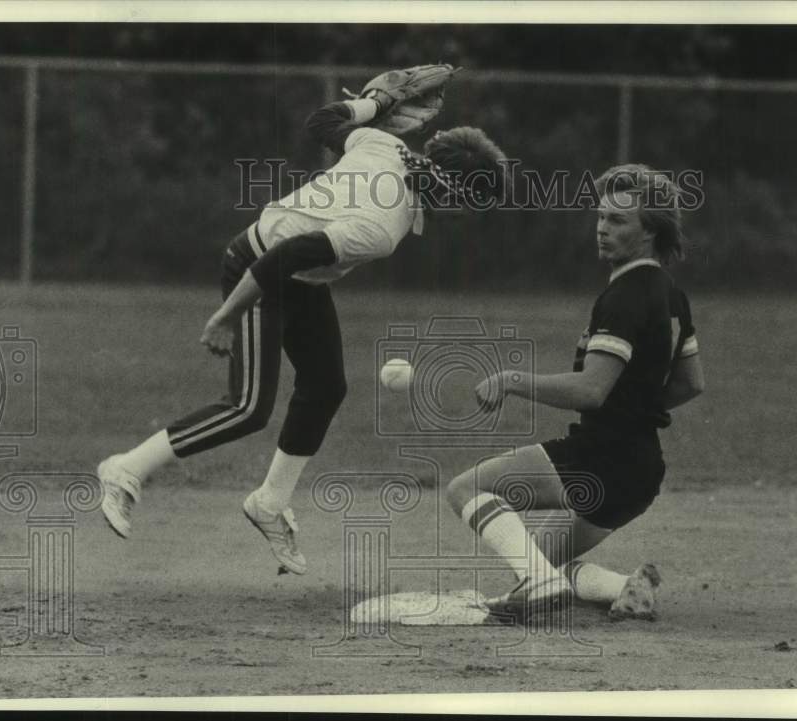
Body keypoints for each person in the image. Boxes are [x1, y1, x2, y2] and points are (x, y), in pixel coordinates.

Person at [98, 89, 508, 578]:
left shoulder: (385, 146)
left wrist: (378, 101)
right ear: (450, 190)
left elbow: (324, 121)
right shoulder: (383, 228)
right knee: (248, 407)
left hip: (298, 277)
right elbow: (282, 258)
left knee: (325, 386)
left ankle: (269, 503)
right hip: (260, 268)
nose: (467, 215)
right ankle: (127, 469)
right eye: (470, 202)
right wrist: (226, 316)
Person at [445, 163, 704, 621]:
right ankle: (623, 587)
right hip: (640, 470)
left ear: (648, 233)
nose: (602, 229)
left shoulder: (625, 296)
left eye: (618, 221)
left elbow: (591, 391)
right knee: (541, 565)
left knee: (467, 488)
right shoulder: (671, 293)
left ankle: (541, 583)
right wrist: (636, 409)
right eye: (601, 217)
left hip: (599, 458)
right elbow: (689, 383)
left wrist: (511, 381)